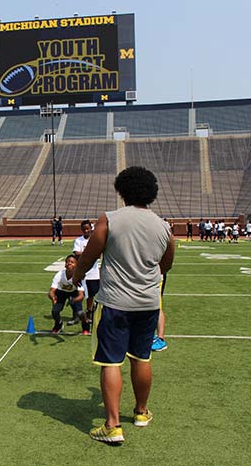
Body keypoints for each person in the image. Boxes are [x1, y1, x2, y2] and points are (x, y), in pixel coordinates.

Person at [72, 166, 175, 444]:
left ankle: (112, 425)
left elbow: (89, 256)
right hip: (148, 303)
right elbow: (166, 265)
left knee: (110, 361)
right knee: (142, 357)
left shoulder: (110, 219)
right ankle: (141, 412)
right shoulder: (164, 226)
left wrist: (76, 276)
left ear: (122, 190)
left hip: (116, 303)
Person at [49, 254, 89, 335]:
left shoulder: (79, 276)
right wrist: (53, 297)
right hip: (61, 292)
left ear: (77, 265)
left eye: (72, 262)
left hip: (74, 293)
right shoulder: (59, 274)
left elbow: (81, 295)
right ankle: (58, 324)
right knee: (55, 311)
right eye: (67, 262)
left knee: (80, 313)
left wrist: (74, 300)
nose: (69, 263)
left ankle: (86, 326)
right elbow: (52, 291)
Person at [72, 220, 99, 326]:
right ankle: (76, 314)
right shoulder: (79, 240)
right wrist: (89, 253)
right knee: (79, 294)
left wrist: (85, 254)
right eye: (84, 229)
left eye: (88, 228)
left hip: (94, 273)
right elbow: (76, 253)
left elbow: (97, 254)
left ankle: (89, 313)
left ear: (91, 228)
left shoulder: (95, 240)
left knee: (91, 295)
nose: (86, 231)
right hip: (82, 273)